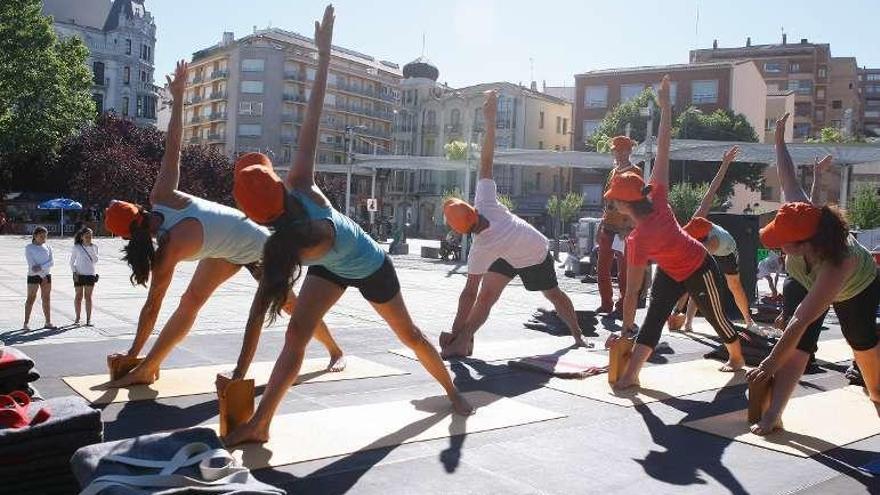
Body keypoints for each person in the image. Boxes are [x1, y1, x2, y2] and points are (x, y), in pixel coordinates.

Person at [223, 6, 472, 447]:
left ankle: (452, 392)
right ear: (279, 186)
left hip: (372, 266)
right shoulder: (298, 194)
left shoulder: (287, 241)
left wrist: (323, 56)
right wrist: (322, 56)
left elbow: (260, 307)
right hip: (335, 267)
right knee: (298, 333)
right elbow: (311, 122)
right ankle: (261, 424)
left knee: (411, 335)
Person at [99, 59, 345, 389]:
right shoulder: (161, 203)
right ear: (137, 210)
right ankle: (149, 367)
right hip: (225, 247)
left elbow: (151, 308)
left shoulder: (166, 233)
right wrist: (179, 98)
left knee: (290, 305)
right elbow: (173, 147)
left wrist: (133, 351)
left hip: (257, 243)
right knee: (190, 302)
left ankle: (334, 350)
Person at [604, 76, 745, 390]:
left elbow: (630, 293)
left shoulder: (639, 237)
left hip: (699, 265)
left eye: (614, 199)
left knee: (718, 318)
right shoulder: (655, 197)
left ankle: (737, 357)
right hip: (671, 270)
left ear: (625, 204)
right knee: (654, 317)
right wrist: (666, 107)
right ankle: (632, 374)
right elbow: (664, 146)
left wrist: (626, 328)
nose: (611, 202)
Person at [746, 112, 880, 435]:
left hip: (857, 290)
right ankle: (774, 414)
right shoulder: (800, 213)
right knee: (796, 351)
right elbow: (788, 176)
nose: (778, 247)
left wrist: (767, 365)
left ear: (804, 243)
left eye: (782, 243)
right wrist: (778, 141)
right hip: (803, 280)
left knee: (866, 360)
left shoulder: (839, 264)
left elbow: (798, 322)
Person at [439, 91, 588, 359]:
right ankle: (462, 342)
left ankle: (578, 335)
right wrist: (491, 121)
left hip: (534, 255)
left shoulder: (480, 248)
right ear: (472, 210)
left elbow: (467, 294)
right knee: (487, 298)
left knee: (552, 294)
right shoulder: (484, 205)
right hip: (507, 254)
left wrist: (454, 329)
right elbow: (487, 162)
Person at [670, 146, 759, 334]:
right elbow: (711, 190)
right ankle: (687, 322)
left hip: (727, 249)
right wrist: (725, 162)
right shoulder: (695, 220)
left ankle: (749, 321)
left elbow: (689, 275)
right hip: (708, 248)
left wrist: (676, 308)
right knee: (695, 279)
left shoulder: (713, 243)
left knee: (734, 285)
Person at [596, 137, 643, 318]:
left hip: (625, 229)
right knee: (602, 268)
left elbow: (638, 203)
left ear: (629, 151)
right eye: (616, 150)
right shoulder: (613, 172)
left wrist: (630, 226)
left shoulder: (636, 172)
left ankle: (623, 306)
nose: (619, 153)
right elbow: (608, 201)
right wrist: (601, 222)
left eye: (623, 150)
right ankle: (606, 304)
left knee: (624, 271)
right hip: (608, 226)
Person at [24, 226, 55, 330]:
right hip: (33, 276)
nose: (43, 238)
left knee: (46, 298)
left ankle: (48, 322)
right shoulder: (29, 248)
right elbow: (32, 266)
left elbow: (51, 262)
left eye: (45, 236)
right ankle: (26, 323)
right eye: (41, 236)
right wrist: (42, 275)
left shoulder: (48, 247)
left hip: (47, 276)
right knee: (31, 298)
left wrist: (42, 269)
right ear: (35, 236)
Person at [70, 227, 99, 326]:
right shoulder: (77, 247)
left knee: (88, 297)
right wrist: (74, 272)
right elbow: (71, 262)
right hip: (79, 274)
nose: (89, 238)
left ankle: (88, 319)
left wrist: (90, 249)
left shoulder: (94, 247)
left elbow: (95, 260)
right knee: (78, 296)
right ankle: (77, 318)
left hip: (90, 274)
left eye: (90, 236)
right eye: (86, 236)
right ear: (82, 237)